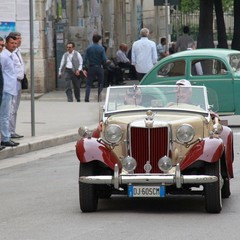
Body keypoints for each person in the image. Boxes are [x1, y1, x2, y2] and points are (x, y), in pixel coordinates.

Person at [0, 35, 19, 147]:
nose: (14, 45)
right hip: (6, 89)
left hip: (11, 89)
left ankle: (6, 136)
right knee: (4, 115)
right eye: (11, 43)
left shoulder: (11, 55)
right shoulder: (3, 56)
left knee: (7, 114)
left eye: (15, 43)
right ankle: (5, 138)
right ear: (7, 43)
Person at [83, 34, 109, 102]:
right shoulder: (101, 48)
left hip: (91, 67)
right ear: (99, 40)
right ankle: (99, 97)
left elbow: (85, 59)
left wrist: (84, 67)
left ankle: (86, 98)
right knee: (100, 83)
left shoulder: (88, 48)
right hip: (99, 67)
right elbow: (104, 59)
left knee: (88, 84)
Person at [8, 32, 25, 139]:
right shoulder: (9, 53)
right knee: (11, 107)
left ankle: (12, 130)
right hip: (12, 82)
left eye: (19, 39)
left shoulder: (18, 51)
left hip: (19, 81)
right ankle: (9, 131)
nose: (19, 41)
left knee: (15, 108)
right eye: (17, 39)